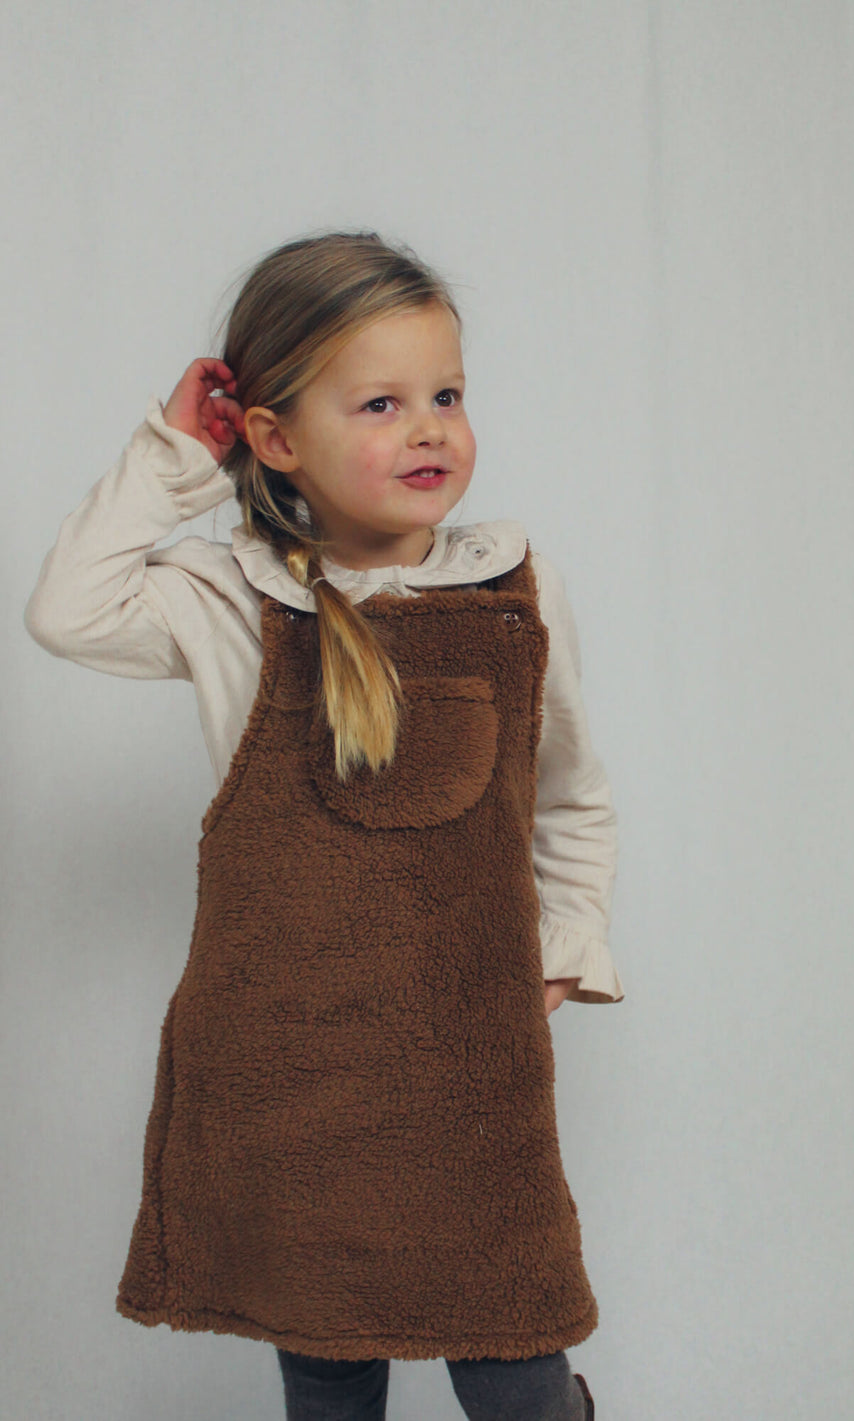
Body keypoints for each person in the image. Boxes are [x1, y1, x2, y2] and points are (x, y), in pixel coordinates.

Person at [24, 229, 622, 1421]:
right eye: (382, 403)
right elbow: (67, 610)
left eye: (447, 395)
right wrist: (175, 457)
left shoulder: (519, 589)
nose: (429, 429)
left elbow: (570, 790)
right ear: (277, 439)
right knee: (329, 1369)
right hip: (291, 1070)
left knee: (513, 1356)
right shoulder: (230, 601)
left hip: (468, 1064)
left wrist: (564, 943)